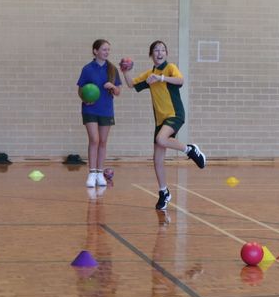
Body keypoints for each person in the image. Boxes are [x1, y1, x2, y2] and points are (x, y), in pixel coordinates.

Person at [119, 40, 207, 211]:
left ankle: (190, 150)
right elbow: (131, 84)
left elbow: (180, 80)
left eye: (163, 50)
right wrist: (126, 71)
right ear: (151, 54)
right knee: (157, 160)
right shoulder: (149, 74)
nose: (159, 53)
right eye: (156, 50)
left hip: (175, 113)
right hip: (160, 120)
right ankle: (163, 192)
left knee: (161, 139)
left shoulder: (170, 68)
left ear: (166, 53)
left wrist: (161, 78)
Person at [77, 39, 121, 189]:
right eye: (104, 49)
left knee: (102, 141)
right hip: (90, 109)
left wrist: (112, 86)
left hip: (106, 109)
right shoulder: (87, 69)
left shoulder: (112, 69)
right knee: (94, 140)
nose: (107, 52)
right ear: (95, 51)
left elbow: (118, 92)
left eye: (108, 49)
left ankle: (100, 173)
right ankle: (92, 173)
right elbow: (80, 90)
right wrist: (85, 99)